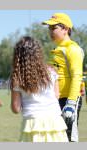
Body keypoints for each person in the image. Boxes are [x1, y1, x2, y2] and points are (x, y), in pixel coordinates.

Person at [10, 36, 68, 142]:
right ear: (39, 53)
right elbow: (57, 95)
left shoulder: (17, 78)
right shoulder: (52, 72)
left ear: (18, 57)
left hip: (33, 124)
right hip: (55, 122)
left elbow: (16, 108)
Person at [42, 13, 84, 142]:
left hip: (68, 100)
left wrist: (71, 103)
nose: (50, 31)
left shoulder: (72, 49)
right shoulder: (57, 49)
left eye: (54, 28)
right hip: (55, 100)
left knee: (69, 139)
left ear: (65, 29)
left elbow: (77, 76)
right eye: (49, 28)